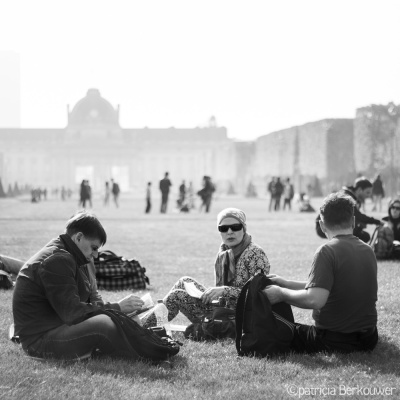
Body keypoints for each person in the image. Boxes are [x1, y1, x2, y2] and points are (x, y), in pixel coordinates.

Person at [12, 211, 144, 360]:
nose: (96, 255)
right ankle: (144, 350)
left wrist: (118, 310)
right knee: (105, 323)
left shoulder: (68, 253)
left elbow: (79, 304)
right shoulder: (58, 259)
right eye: (94, 248)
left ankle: (144, 341)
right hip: (39, 342)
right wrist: (117, 307)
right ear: (79, 237)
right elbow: (73, 313)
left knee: (118, 318)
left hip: (55, 328)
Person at [264, 192, 378, 354]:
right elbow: (331, 286)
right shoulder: (367, 249)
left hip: (335, 340)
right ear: (353, 221)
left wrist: (281, 293)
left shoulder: (327, 251)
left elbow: (315, 299)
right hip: (369, 338)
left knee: (280, 329)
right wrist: (286, 283)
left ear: (322, 225)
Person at [141, 208, 270, 328]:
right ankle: (146, 319)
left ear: (244, 228)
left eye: (235, 227)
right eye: (223, 228)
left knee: (177, 296)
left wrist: (224, 291)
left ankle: (140, 327)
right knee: (184, 281)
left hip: (238, 317)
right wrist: (219, 293)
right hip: (222, 306)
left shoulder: (255, 254)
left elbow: (258, 294)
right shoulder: (225, 251)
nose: (229, 232)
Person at [316, 177, 383, 243]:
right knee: (364, 236)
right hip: (327, 224)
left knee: (361, 235)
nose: (369, 196)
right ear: (359, 190)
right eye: (367, 192)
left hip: (334, 223)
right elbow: (357, 215)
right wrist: (377, 222)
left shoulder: (351, 196)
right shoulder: (348, 197)